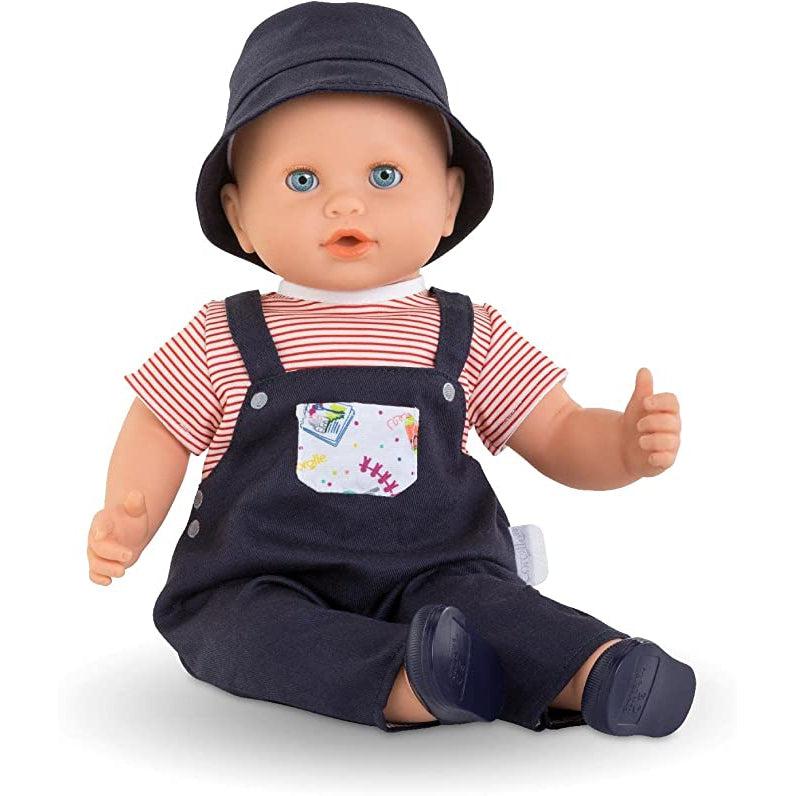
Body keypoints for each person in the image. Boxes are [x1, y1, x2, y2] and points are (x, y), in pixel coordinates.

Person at [87, 2, 695, 737]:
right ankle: (415, 682)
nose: (346, 202)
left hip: (436, 567)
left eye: (384, 174)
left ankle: (595, 671)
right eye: (302, 180)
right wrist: (128, 513)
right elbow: (159, 426)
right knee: (249, 633)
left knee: (497, 606)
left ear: (448, 199)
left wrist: (622, 448)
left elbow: (558, 428)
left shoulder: (466, 331)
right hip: (260, 576)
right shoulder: (225, 334)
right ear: (240, 214)